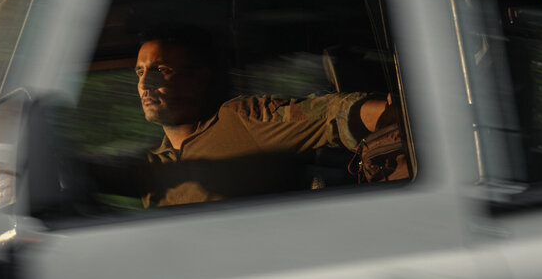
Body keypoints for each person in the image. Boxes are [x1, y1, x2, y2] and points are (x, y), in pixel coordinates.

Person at [133, 26, 397, 207]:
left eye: (161, 69)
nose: (146, 84)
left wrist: (398, 115)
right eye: (140, 73)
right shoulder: (151, 167)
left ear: (199, 79)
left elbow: (335, 112)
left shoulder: (240, 120)